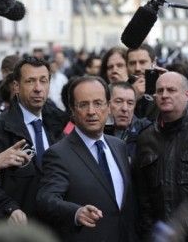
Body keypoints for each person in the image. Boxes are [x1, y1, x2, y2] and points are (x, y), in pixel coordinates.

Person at [36, 76, 138, 242]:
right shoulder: (58, 154)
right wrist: (76, 213)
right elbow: (46, 199)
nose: (91, 111)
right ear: (72, 110)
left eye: (98, 103)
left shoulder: (119, 146)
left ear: (108, 106)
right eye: (83, 104)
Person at [0, 57, 67, 224]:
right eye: (30, 81)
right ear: (16, 87)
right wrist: (9, 208)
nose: (38, 88)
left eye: (43, 81)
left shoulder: (59, 125)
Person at [135, 72, 188, 241]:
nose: (164, 95)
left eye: (171, 90)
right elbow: (143, 198)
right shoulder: (145, 138)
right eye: (160, 91)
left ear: (187, 94)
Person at [107, 82, 151, 163]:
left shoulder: (146, 131)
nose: (125, 108)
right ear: (107, 104)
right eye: (118, 101)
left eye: (130, 103)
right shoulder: (95, 131)